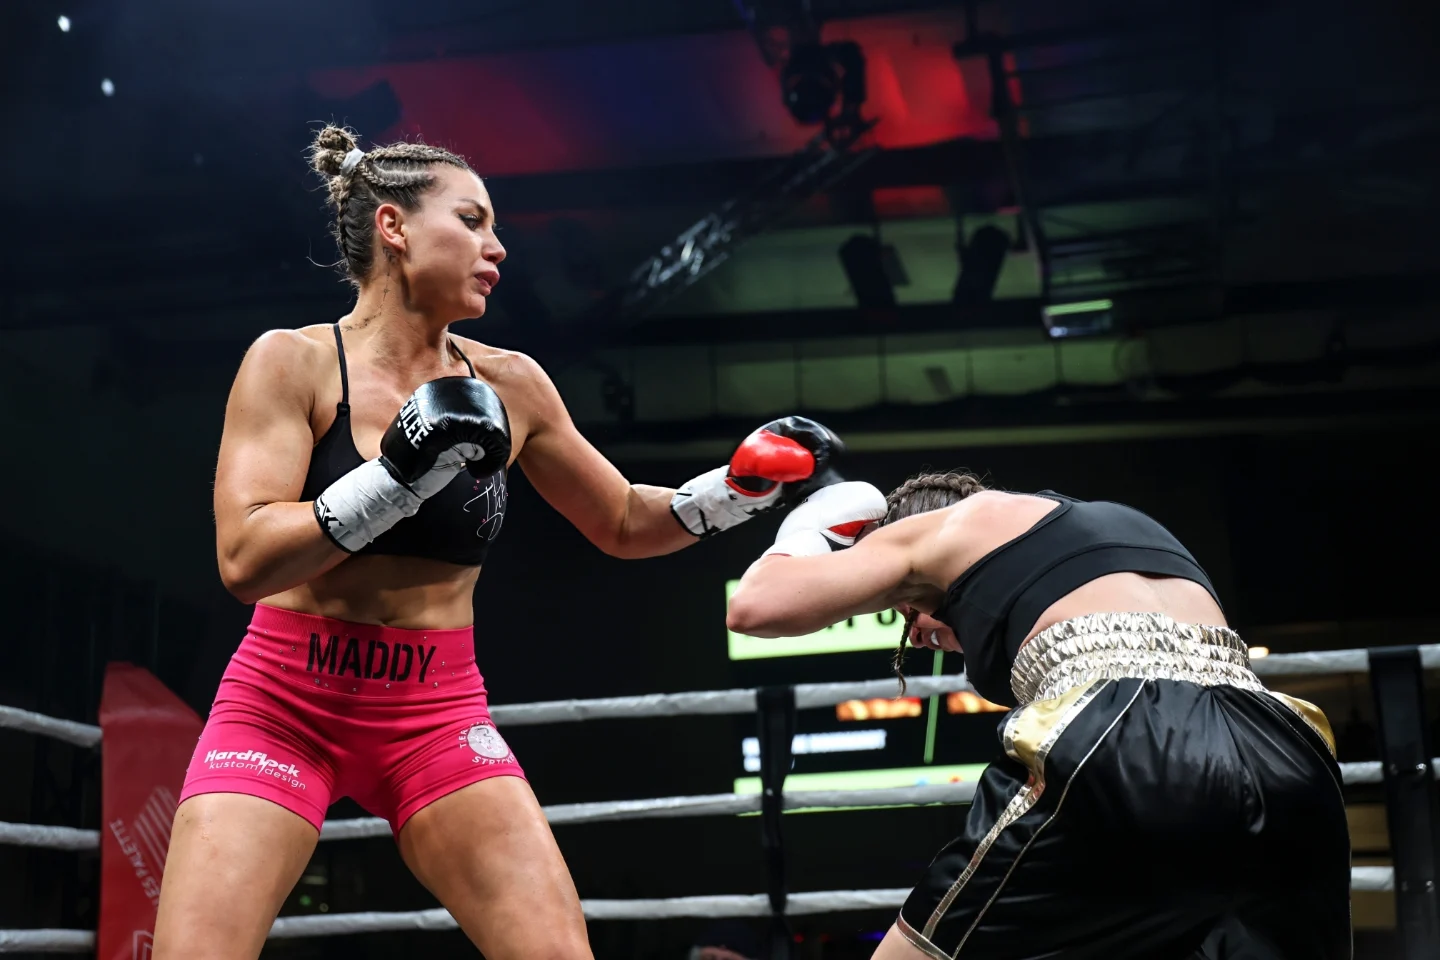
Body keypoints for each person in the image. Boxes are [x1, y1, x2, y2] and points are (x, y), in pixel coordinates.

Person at [154, 124, 843, 960]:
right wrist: (397, 475)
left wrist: (735, 489)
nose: (498, 247)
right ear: (394, 226)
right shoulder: (292, 363)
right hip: (284, 705)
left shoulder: (511, 383)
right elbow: (244, 559)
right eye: (472, 220)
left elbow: (623, 520)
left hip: (434, 714)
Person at [727, 472, 1351, 960]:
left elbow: (755, 608)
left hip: (1122, 730)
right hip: (1285, 747)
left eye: (906, 612)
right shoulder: (1120, 526)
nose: (914, 634)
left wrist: (815, 528)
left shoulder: (947, 526)